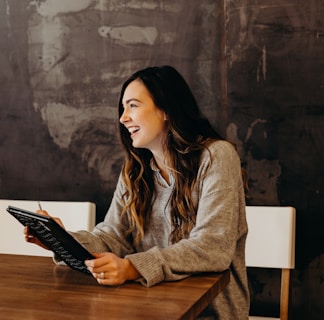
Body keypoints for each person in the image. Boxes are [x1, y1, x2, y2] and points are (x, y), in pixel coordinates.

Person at [25, 65, 250, 319]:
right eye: (123, 108)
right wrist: (62, 240)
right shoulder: (135, 170)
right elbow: (113, 238)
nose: (123, 118)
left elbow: (212, 248)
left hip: (207, 313)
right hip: (147, 307)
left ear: (166, 109)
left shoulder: (216, 157)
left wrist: (132, 267)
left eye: (133, 105)